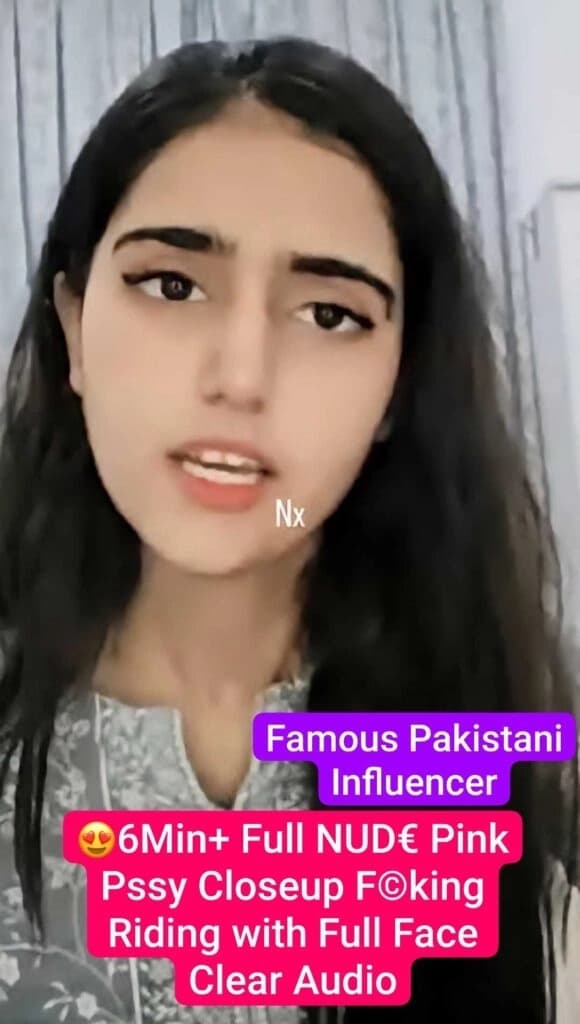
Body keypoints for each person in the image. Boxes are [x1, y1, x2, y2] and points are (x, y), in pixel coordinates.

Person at [0, 34, 576, 1024]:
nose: (240, 376)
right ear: (73, 326)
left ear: (399, 387)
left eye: (329, 314)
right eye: (172, 285)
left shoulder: (504, 736)